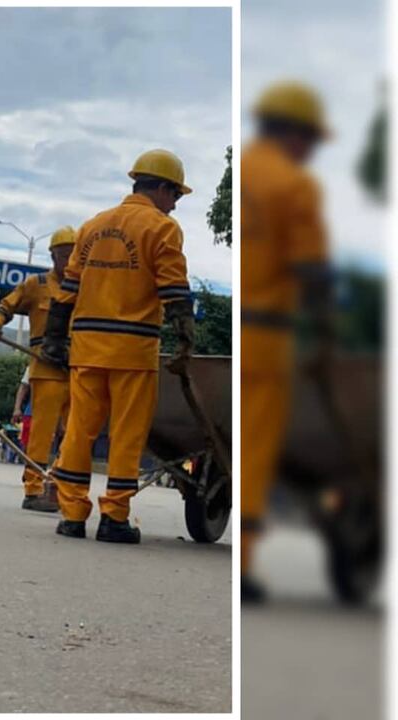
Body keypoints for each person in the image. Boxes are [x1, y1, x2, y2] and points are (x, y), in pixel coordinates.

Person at [42, 148, 194, 543]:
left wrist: (55, 338)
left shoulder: (92, 226)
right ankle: (114, 517)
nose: (175, 205)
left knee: (78, 431)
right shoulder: (161, 228)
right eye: (175, 195)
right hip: (133, 350)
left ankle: (71, 514)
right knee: (126, 436)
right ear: (161, 188)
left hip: (88, 347)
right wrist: (185, 340)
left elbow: (67, 291)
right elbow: (174, 290)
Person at [240, 81, 333, 602]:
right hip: (270, 337)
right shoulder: (295, 185)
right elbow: (311, 269)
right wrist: (323, 336)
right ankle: (245, 565)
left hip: (242, 334)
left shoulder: (249, 173)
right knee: (256, 449)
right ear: (295, 133)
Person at [0, 227, 77, 512]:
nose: (69, 261)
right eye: (64, 255)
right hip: (46, 368)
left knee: (76, 432)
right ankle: (34, 488)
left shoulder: (87, 288)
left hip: (77, 368)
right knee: (42, 432)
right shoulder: (35, 284)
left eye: (74, 256)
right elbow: (7, 304)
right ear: (53, 255)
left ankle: (60, 486)